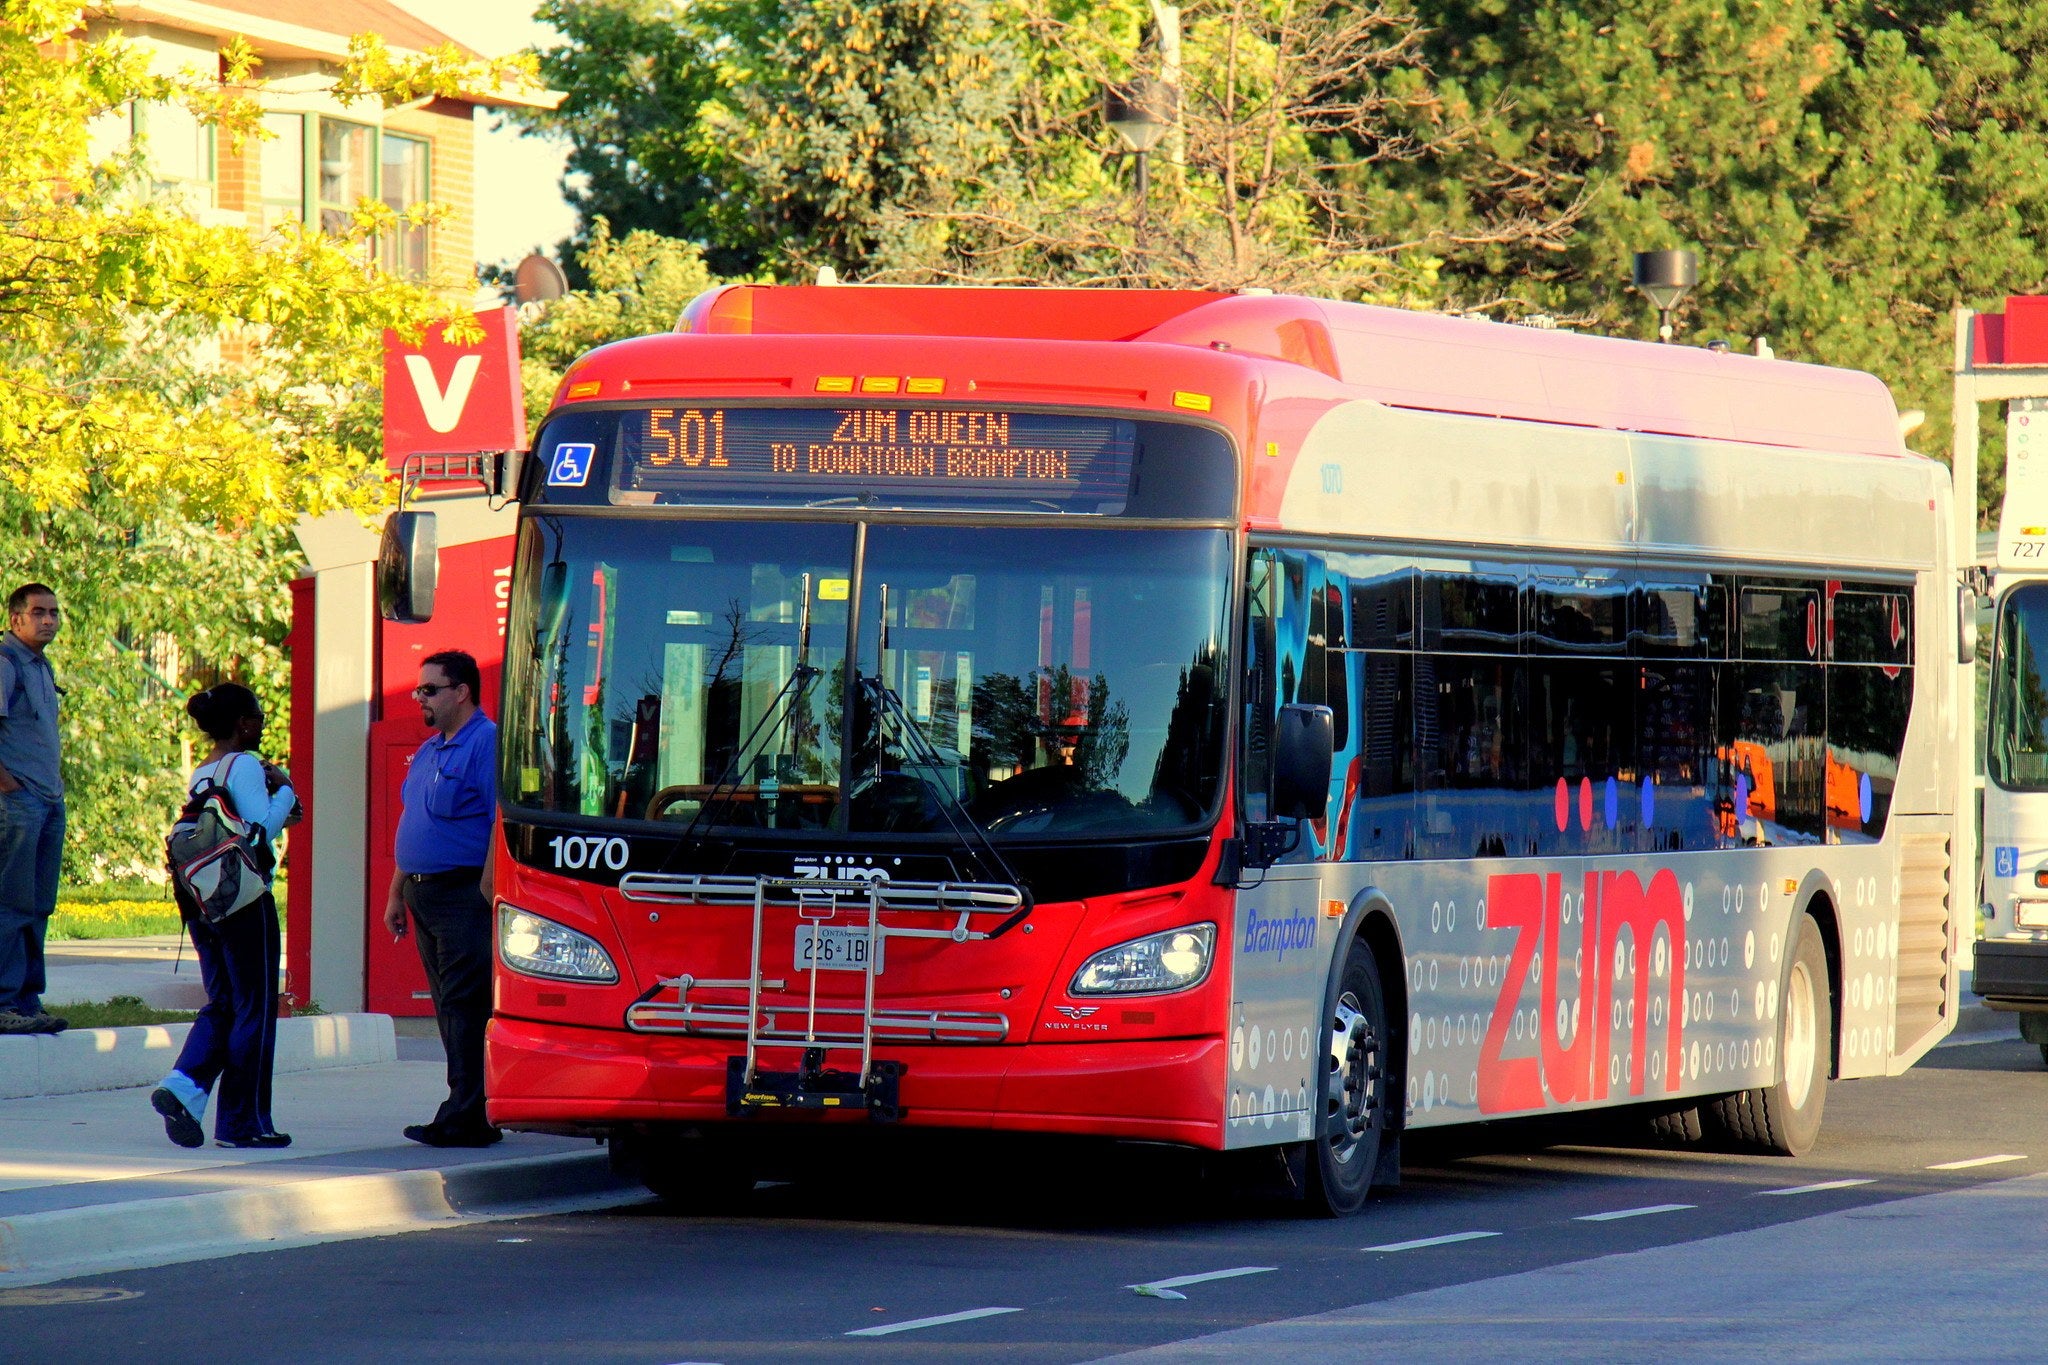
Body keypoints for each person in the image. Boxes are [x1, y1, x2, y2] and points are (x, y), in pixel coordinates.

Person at [151, 684, 299, 1148]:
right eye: (257, 716)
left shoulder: (204, 770)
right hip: (243, 900)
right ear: (243, 724)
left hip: (201, 901)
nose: (261, 724)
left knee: (223, 1002)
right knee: (255, 1007)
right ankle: (243, 1124)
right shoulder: (247, 765)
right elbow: (259, 832)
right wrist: (286, 790)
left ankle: (183, 1087)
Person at [385, 649, 501, 1148]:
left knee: (464, 1007)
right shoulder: (433, 749)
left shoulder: (486, 742)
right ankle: (465, 1110)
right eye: (418, 690)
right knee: (447, 1007)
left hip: (462, 895)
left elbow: (502, 822)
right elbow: (416, 823)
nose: (420, 699)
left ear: (462, 692)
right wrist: (396, 891)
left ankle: (466, 1116)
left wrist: (487, 890)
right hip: (423, 894)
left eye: (430, 690)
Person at [0, 583, 68, 1036]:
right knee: (11, 902)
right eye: (38, 612)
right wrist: (9, 787)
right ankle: (4, 1002)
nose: (48, 620)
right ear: (15, 619)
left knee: (39, 903)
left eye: (54, 612)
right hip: (18, 802)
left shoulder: (39, 665)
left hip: (47, 799)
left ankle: (27, 999)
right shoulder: (5, 663)